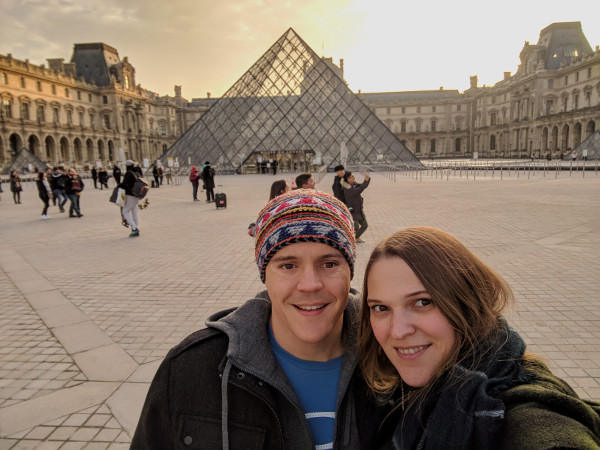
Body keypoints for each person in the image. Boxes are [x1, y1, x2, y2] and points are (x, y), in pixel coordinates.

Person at [132, 190, 378, 449]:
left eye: (329, 264)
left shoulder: (394, 358)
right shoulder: (187, 369)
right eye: (287, 265)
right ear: (264, 274)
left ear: (350, 271)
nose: (310, 285)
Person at [358, 226, 600, 449]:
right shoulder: (389, 386)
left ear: (465, 302)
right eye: (380, 308)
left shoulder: (522, 407)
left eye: (423, 302)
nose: (398, 331)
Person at [342, 171, 370, 243]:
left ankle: (355, 238)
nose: (354, 178)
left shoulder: (354, 184)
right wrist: (365, 181)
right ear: (348, 179)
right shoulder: (347, 189)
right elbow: (358, 190)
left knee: (365, 225)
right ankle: (348, 238)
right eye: (352, 176)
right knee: (356, 226)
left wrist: (367, 180)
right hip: (353, 211)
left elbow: (362, 186)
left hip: (359, 210)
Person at [120, 160, 140, 237]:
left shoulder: (128, 173)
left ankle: (134, 228)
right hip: (136, 195)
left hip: (130, 195)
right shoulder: (136, 173)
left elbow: (124, 184)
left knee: (125, 211)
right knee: (134, 212)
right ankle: (135, 227)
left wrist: (119, 186)